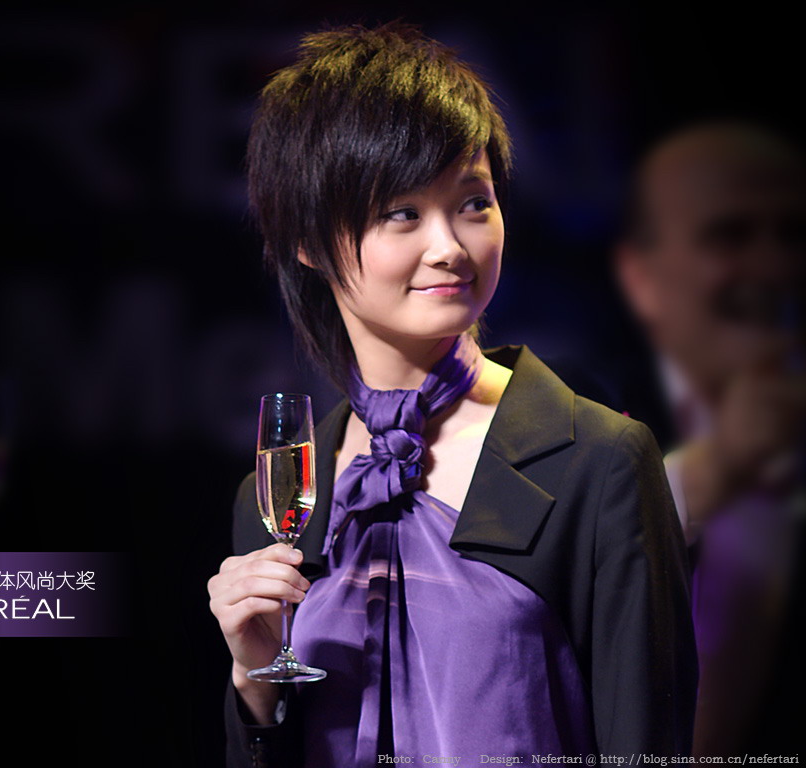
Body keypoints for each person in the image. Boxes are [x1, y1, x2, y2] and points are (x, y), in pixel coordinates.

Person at [208, 22, 697, 767]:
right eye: (402, 213)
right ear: (308, 241)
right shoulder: (279, 495)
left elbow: (648, 744)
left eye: (473, 203)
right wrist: (252, 681)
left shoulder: (598, 463)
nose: (449, 247)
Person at [614, 121, 806, 756]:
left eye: (794, 234)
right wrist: (723, 466)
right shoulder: (575, 407)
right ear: (642, 277)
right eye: (731, 235)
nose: (776, 267)